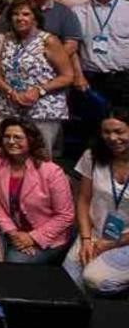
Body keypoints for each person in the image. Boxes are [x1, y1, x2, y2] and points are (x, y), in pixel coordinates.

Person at [0, 0, 73, 158]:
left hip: (42, 109)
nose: (20, 18)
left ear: (35, 18)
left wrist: (38, 90)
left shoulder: (49, 40)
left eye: (25, 14)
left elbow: (68, 76)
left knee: (38, 157)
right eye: (15, 14)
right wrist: (10, 92)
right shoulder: (9, 39)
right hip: (10, 105)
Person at [0, 118, 75, 264]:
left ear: (31, 140)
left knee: (14, 262)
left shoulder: (52, 172)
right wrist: (13, 232)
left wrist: (32, 238)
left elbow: (65, 215)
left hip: (48, 236)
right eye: (7, 137)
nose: (11, 141)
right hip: (10, 231)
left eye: (17, 137)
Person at [64, 109, 129, 294]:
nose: (112, 138)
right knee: (69, 282)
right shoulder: (92, 156)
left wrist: (112, 244)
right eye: (106, 132)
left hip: (126, 239)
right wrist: (85, 239)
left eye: (119, 131)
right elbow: (84, 200)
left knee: (94, 280)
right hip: (95, 233)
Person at [74, 0, 129, 111]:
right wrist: (79, 76)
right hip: (92, 79)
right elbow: (72, 49)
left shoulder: (127, 8)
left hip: (124, 78)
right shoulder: (78, 11)